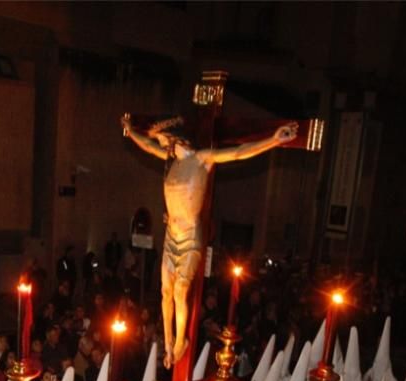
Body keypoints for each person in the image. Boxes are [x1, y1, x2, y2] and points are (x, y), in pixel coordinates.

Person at [121, 114, 298, 367]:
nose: (160, 141)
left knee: (180, 290)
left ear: (177, 138)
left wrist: (272, 140)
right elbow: (147, 146)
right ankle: (168, 344)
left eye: (163, 137)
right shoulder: (170, 161)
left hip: (190, 236)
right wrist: (130, 130)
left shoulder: (202, 159)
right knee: (165, 291)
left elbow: (238, 153)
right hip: (171, 234)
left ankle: (180, 340)